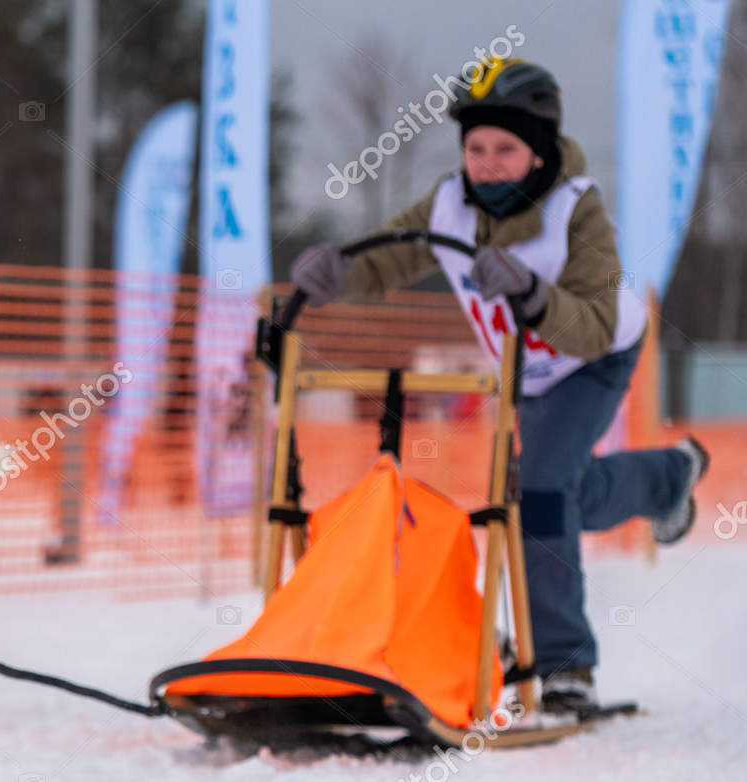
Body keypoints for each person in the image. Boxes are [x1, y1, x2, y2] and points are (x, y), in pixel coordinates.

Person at [289, 58, 709, 714]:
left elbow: (595, 325)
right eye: (475, 147)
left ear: (539, 154)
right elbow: (392, 253)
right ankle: (665, 478)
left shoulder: (577, 210)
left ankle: (566, 662)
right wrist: (337, 272)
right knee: (550, 490)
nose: (485, 162)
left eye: (505, 149)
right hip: (526, 370)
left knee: (540, 490)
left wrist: (535, 294)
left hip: (591, 360)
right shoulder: (450, 204)